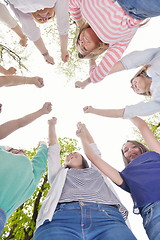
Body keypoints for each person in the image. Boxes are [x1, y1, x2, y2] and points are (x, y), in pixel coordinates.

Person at [33, 117, 137, 240]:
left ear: (84, 159)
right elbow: (53, 151)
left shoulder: (97, 170)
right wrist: (51, 125)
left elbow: (94, 150)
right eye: (68, 156)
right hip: (62, 217)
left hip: (107, 217)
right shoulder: (59, 174)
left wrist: (84, 131)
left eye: (75, 153)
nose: (71, 154)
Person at [77, 117, 160, 240]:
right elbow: (93, 157)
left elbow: (142, 126)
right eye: (126, 150)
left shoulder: (156, 154)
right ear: (124, 156)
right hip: (155, 210)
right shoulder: (124, 175)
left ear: (141, 147)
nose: (130, 150)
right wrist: (83, 137)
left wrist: (127, 113)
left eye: (133, 147)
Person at [69, 0, 160, 89]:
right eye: (84, 48)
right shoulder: (115, 43)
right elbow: (97, 76)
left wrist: (79, 24)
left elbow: (71, 4)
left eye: (78, 40)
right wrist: (92, 61)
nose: (81, 42)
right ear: (96, 50)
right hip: (139, 6)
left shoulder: (86, 11)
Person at [0, 102, 52, 235]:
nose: (21, 150)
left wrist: (43, 146)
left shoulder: (31, 175)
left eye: (23, 152)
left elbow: (39, 163)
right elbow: (17, 123)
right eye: (15, 149)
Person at [83, 47, 160, 118]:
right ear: (144, 92)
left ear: (138, 75)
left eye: (132, 82)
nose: (132, 86)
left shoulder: (151, 62)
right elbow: (127, 112)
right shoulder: (157, 97)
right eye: (137, 91)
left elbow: (131, 61)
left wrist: (88, 80)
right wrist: (93, 110)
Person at [6, 0, 69, 64]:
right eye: (49, 18)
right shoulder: (55, 1)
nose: (44, 19)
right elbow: (63, 21)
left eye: (40, 19)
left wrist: (45, 55)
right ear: (55, 9)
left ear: (31, 14)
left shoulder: (23, 8)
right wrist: (64, 50)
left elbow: (30, 30)